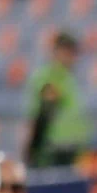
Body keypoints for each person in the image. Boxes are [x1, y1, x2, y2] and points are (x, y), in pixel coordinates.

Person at [25, 32, 91, 168]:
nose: (72, 58)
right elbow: (43, 114)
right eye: (68, 52)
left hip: (72, 145)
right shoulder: (50, 77)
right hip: (55, 147)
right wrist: (32, 148)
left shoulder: (68, 78)